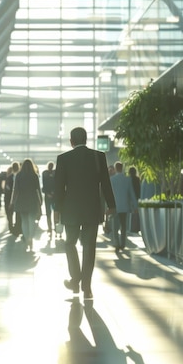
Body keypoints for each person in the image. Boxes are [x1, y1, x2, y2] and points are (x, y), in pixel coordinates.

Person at [54, 127, 116, 299]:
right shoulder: (98, 157)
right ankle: (86, 286)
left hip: (71, 210)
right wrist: (111, 205)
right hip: (92, 209)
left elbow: (59, 187)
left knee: (70, 243)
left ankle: (75, 278)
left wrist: (56, 209)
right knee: (89, 247)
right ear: (86, 139)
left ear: (71, 141)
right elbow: (105, 184)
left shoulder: (64, 159)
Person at [11, 158, 42, 252]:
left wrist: (12, 202)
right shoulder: (35, 175)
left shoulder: (19, 175)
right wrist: (40, 201)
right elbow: (38, 190)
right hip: (32, 200)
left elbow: (15, 190)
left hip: (21, 201)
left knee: (24, 221)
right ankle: (30, 238)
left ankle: (26, 236)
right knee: (32, 221)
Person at [110, 162, 138, 251]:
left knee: (115, 227)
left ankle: (116, 243)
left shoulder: (112, 179)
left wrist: (108, 207)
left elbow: (109, 194)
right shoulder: (127, 179)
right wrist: (135, 206)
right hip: (125, 207)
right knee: (123, 226)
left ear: (115, 168)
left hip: (115, 207)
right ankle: (123, 244)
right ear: (122, 168)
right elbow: (132, 193)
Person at [41, 161, 56, 236]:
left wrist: (47, 193)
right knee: (55, 212)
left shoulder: (44, 173)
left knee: (48, 213)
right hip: (55, 196)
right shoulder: (56, 173)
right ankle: (55, 228)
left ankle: (49, 228)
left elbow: (44, 185)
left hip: (47, 196)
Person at [127, 166, 141, 233]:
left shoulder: (128, 179)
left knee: (130, 213)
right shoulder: (137, 179)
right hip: (136, 198)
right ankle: (136, 228)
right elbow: (139, 189)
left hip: (129, 198)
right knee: (136, 213)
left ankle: (130, 227)